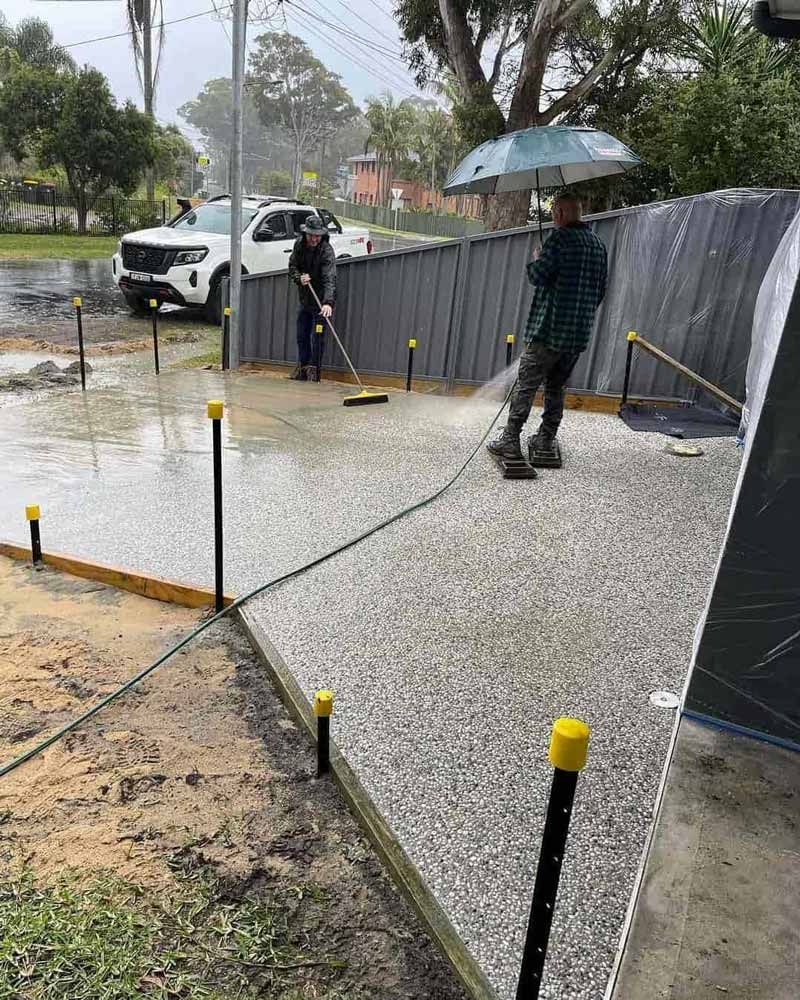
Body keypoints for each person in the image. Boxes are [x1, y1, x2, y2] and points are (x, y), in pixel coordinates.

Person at [488, 190, 608, 459]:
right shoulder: (599, 245)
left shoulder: (559, 239)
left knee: (525, 385)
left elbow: (538, 276)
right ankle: (545, 439)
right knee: (557, 387)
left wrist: (538, 256)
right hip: (577, 336)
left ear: (561, 213)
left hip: (548, 331)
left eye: (555, 212)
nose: (553, 217)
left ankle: (510, 440)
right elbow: (600, 291)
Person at [287, 216, 336, 381]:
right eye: (311, 235)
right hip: (305, 299)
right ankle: (303, 367)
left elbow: (330, 278)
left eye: (317, 235)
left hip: (320, 302)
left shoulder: (326, 251)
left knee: (318, 336)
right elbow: (292, 266)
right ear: (305, 233)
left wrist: (328, 302)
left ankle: (314, 371)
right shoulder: (299, 245)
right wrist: (299, 278)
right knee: (302, 335)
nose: (314, 239)